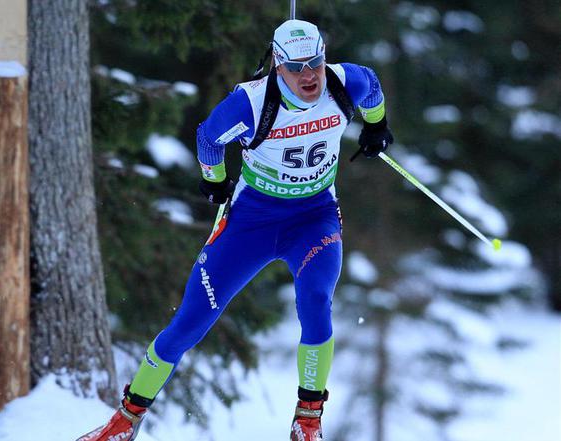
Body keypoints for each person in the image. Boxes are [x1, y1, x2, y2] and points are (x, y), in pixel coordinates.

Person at [78, 19, 394, 441]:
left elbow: (372, 86)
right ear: (277, 66)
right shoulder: (250, 104)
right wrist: (214, 180)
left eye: (315, 62)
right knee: (190, 323)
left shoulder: (343, 83)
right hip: (251, 222)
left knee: (316, 301)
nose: (309, 75)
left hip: (313, 216)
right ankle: (125, 420)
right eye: (297, 67)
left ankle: (308, 419)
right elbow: (209, 138)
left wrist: (375, 125)